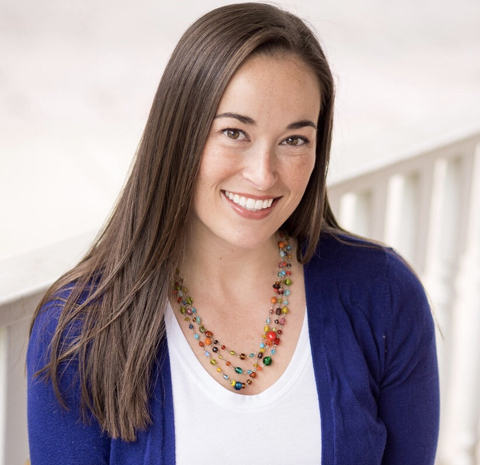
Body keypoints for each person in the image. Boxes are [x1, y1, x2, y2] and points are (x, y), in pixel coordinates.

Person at [26, 3, 439, 464]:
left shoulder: (382, 294)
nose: (263, 175)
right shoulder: (83, 329)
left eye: (294, 140)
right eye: (235, 132)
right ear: (179, 133)